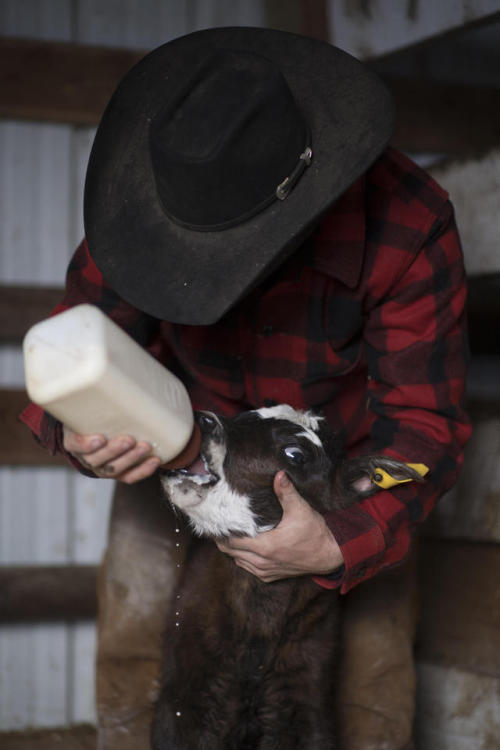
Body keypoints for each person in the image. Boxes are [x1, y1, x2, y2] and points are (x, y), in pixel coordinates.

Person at [21, 27, 470, 750]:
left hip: (335, 472)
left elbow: (424, 421)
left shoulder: (405, 220)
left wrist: (342, 542)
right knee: (143, 660)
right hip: (176, 453)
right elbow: (76, 347)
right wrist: (78, 428)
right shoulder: (143, 202)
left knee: (369, 683)